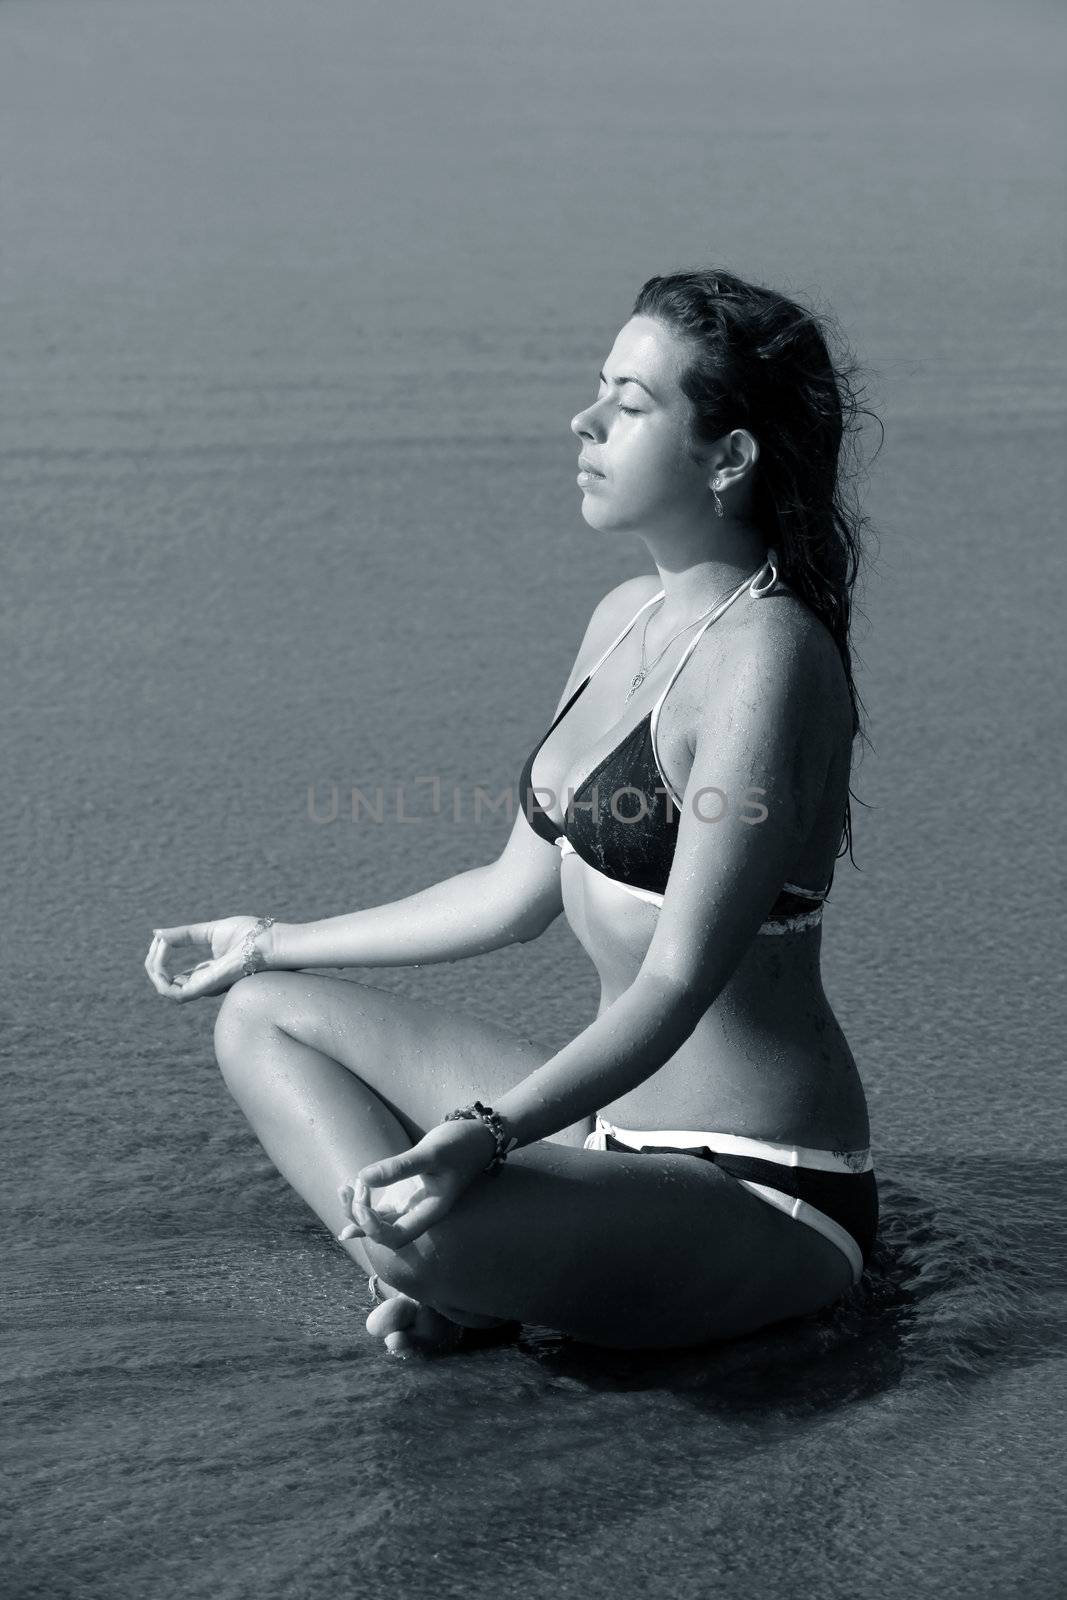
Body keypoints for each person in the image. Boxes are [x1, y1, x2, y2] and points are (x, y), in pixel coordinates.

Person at [145, 266, 878, 1359]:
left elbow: (678, 983)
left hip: (756, 1185)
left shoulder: (766, 656)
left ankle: (464, 1277)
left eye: (629, 406)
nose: (582, 420)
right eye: (598, 389)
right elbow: (510, 891)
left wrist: (483, 1137)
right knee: (262, 1015)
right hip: (611, 1137)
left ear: (726, 458)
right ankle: (470, 1279)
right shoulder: (623, 619)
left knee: (421, 1226)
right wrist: (269, 940)